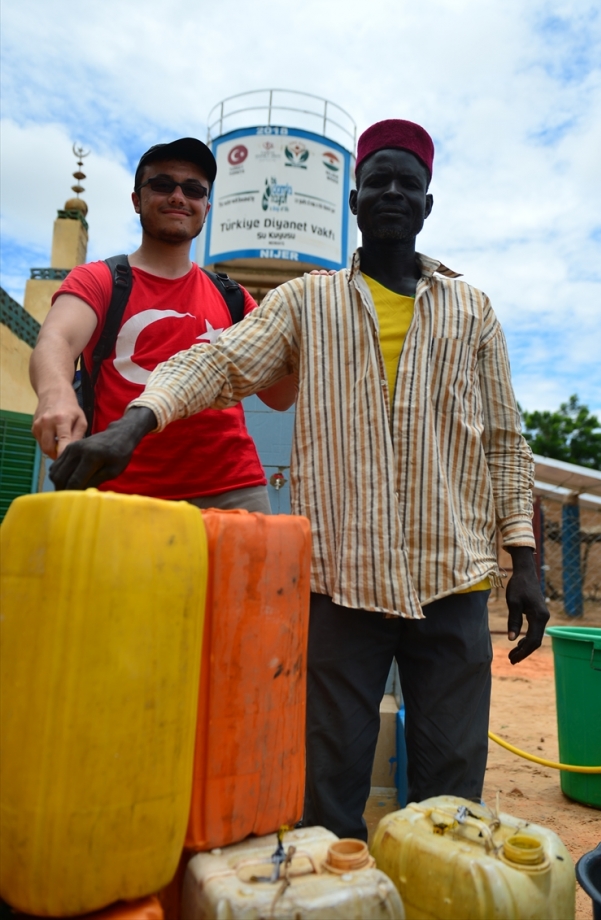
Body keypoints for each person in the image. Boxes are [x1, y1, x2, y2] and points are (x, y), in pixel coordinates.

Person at [49, 120, 549, 839]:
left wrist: (524, 560)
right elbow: (217, 361)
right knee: (327, 791)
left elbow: (506, 443)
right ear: (353, 200)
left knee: (452, 799)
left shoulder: (472, 311)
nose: (393, 194)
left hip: (454, 587)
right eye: (379, 181)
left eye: (408, 184)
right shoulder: (305, 302)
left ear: (428, 205)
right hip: (343, 585)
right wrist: (136, 421)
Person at [31, 137, 296, 512]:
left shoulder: (233, 297)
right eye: (162, 184)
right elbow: (55, 339)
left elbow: (279, 396)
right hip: (120, 490)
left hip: (232, 490)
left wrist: (304, 325)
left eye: (193, 189)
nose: (177, 196)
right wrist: (54, 395)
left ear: (206, 207)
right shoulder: (100, 280)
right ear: (137, 199)